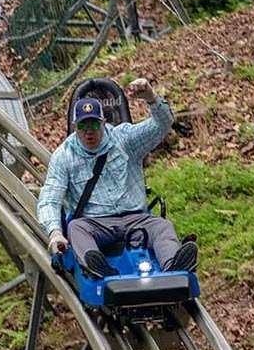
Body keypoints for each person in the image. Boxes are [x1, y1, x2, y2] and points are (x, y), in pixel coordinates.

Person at [37, 77, 198, 278]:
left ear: (103, 122)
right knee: (75, 228)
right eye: (83, 126)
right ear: (74, 126)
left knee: (161, 226)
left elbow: (163, 124)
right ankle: (96, 268)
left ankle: (174, 265)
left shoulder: (125, 139)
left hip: (135, 218)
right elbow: (49, 199)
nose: (89, 132)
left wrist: (150, 96)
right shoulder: (64, 155)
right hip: (95, 223)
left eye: (94, 125)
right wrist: (55, 233)